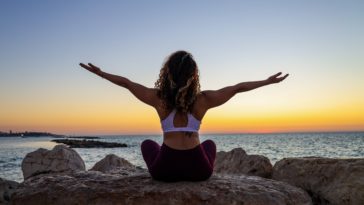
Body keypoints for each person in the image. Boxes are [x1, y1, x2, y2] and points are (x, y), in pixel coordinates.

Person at [79, 50, 288, 182]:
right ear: (193, 75)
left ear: (167, 74)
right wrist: (267, 81)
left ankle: (167, 156)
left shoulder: (158, 98)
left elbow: (126, 83)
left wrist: (101, 73)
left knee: (147, 144)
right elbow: (238, 88)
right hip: (199, 171)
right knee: (210, 145)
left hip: (164, 171)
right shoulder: (204, 100)